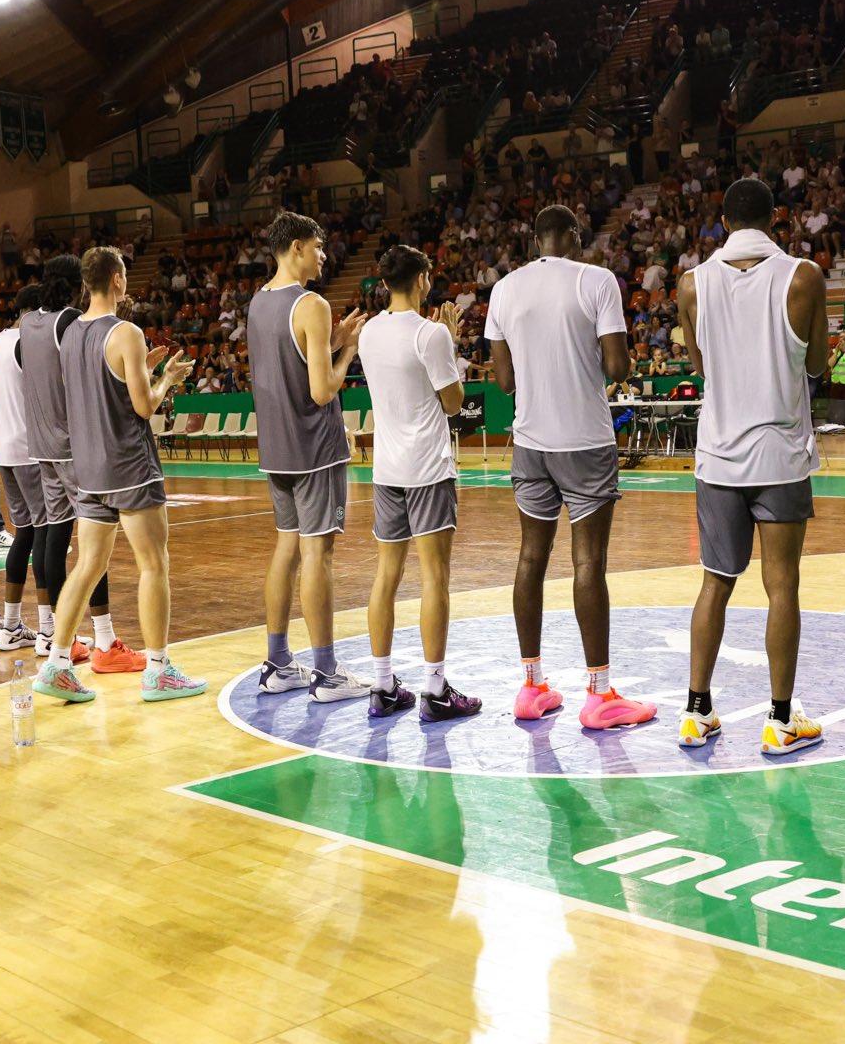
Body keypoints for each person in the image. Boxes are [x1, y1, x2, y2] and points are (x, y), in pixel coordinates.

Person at [485, 204, 653, 730]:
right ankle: (600, 694)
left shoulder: (504, 290)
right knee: (588, 564)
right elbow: (617, 367)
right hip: (584, 442)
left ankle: (531, 685)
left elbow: (505, 382)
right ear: (573, 238)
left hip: (529, 442)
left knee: (530, 560)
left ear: (537, 240)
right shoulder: (597, 281)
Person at [676, 176, 826, 754]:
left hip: (718, 457)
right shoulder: (803, 276)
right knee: (781, 584)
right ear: (775, 218)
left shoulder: (693, 284)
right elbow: (815, 362)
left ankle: (696, 712)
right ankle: (781, 720)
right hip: (781, 454)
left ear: (723, 219)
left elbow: (699, 362)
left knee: (715, 583)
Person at [32, 246, 205, 704]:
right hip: (128, 464)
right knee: (155, 564)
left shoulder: (69, 334)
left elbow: (99, 388)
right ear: (116, 280)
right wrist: (166, 378)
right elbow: (143, 406)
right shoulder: (126, 331)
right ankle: (159, 669)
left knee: (87, 566)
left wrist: (143, 373)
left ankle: (57, 664)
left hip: (88, 469)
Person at [249, 212, 372, 703]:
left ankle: (278, 662)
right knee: (317, 554)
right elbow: (321, 389)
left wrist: (331, 340)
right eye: (319, 247)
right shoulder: (312, 304)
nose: (324, 255)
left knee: (286, 548)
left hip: (276, 448)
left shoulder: (258, 302)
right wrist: (349, 352)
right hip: (314, 448)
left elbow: (292, 358)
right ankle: (326, 673)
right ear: (297, 246)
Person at [356, 246, 482, 721]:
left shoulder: (369, 332)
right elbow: (453, 403)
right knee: (435, 578)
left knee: (386, 576)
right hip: (427, 467)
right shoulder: (430, 335)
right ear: (424, 279)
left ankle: (383, 685)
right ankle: (434, 689)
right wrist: (447, 340)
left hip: (387, 469)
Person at [20, 256, 136, 670]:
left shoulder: (28, 322)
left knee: (54, 534)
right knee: (95, 543)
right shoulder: (70, 322)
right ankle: (104, 638)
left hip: (41, 443)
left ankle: (51, 632)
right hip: (74, 442)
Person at [0, 286, 40, 651]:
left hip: (5, 449)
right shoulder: (28, 342)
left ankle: (10, 625)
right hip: (31, 448)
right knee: (49, 536)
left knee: (25, 535)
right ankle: (52, 632)